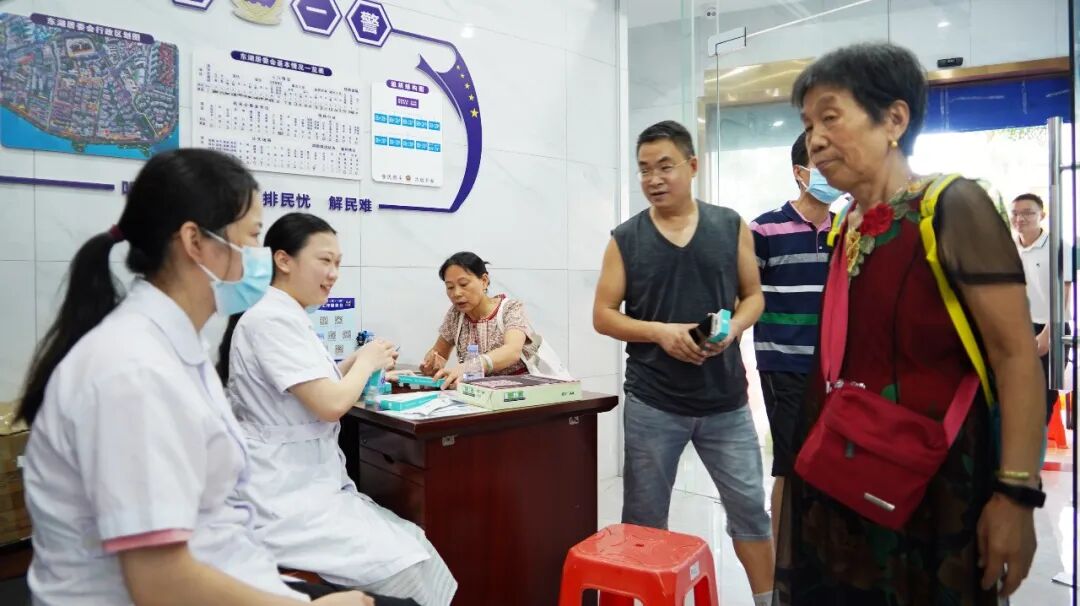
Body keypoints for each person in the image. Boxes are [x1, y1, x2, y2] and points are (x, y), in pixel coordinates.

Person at [17, 149, 371, 605]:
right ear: (195, 241)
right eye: (253, 235)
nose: (260, 257)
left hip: (230, 569)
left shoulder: (175, 346)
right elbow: (160, 583)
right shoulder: (133, 371)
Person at [776, 42, 1045, 605]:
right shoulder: (847, 224)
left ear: (894, 119)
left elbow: (1015, 355)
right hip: (845, 476)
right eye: (808, 124)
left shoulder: (953, 206)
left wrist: (1016, 495)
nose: (815, 140)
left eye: (830, 117)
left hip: (934, 490)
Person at [219, 213, 456, 606]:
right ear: (283, 260)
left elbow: (313, 384)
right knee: (408, 562)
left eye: (338, 263)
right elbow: (330, 403)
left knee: (413, 542)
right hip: (285, 495)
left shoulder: (287, 315)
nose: (333, 274)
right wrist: (366, 361)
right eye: (325, 261)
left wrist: (358, 363)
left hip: (305, 483)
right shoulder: (271, 319)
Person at [593, 120, 775, 606]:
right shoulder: (626, 239)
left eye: (665, 166)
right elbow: (603, 315)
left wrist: (732, 330)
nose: (653, 179)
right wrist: (661, 333)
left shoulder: (729, 225)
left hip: (726, 402)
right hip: (654, 402)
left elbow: (753, 296)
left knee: (750, 515)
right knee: (644, 520)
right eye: (644, 170)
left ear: (692, 166)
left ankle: (768, 600)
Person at [750, 132, 835, 543]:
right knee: (790, 466)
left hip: (835, 371)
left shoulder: (849, 230)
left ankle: (821, 553)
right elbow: (742, 296)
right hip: (784, 364)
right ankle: (783, 560)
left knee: (830, 465)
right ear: (800, 173)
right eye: (822, 163)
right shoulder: (764, 229)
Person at [419, 252, 539, 389]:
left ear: (484, 281)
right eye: (450, 287)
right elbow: (438, 353)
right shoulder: (456, 314)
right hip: (473, 393)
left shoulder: (510, 308)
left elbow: (512, 351)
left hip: (515, 392)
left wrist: (473, 366)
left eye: (463, 284)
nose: (456, 293)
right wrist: (431, 364)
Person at [1010, 192, 1072, 424]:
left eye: (1028, 213)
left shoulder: (1058, 247)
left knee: (1042, 396)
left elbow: (1064, 292)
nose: (1020, 218)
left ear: (1042, 215)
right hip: (1017, 327)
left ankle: (1037, 443)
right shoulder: (1007, 247)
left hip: (1049, 326)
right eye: (1015, 213)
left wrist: (1048, 333)